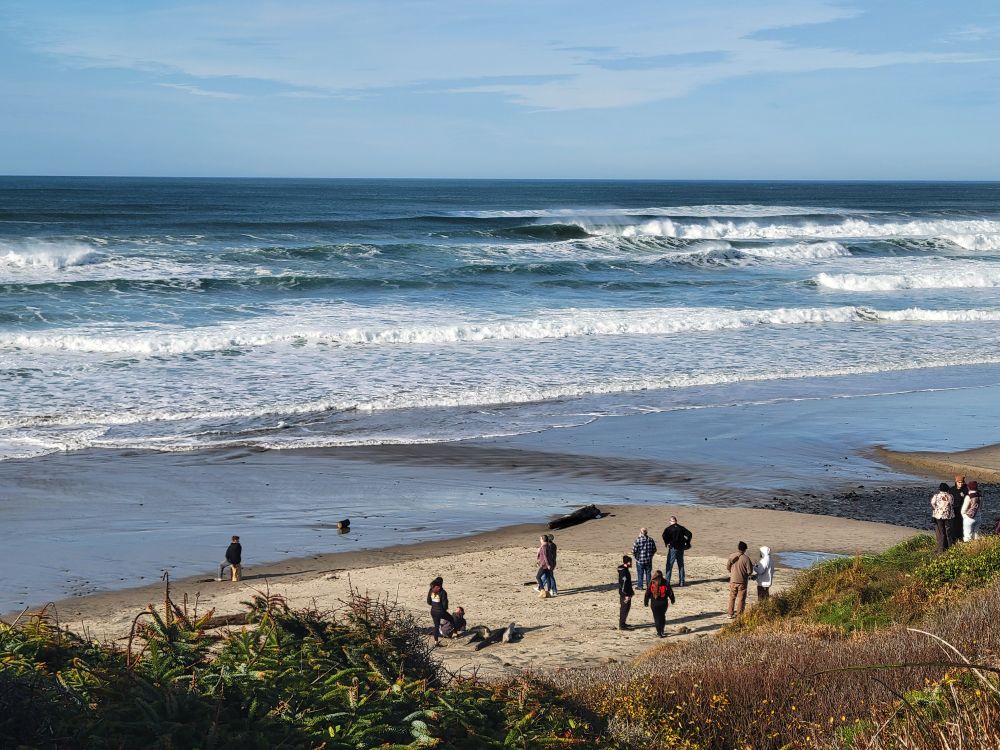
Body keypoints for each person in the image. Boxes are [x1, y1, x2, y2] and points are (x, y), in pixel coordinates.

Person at [661, 516, 693, 587]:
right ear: (676, 521)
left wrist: (667, 542)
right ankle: (682, 582)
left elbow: (664, 536)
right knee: (681, 565)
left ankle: (667, 582)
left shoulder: (669, 529)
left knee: (669, 565)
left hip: (673, 548)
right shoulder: (681, 528)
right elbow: (689, 534)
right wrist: (687, 542)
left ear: (671, 521)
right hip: (681, 548)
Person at [643, 570, 676, 637]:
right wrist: (672, 599)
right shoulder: (666, 582)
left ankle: (659, 632)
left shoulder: (652, 583)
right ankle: (662, 630)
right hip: (663, 603)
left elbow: (647, 593)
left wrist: (646, 602)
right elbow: (670, 592)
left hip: (654, 604)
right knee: (662, 617)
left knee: (657, 618)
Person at [726, 541, 754, 618]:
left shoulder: (732, 556)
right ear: (745, 549)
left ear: (738, 548)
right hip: (742, 582)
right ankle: (739, 615)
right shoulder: (746, 559)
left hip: (733, 580)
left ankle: (730, 613)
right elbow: (750, 571)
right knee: (741, 599)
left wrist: (732, 572)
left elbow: (728, 567)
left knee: (732, 597)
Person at [427, 576, 456, 644]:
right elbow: (445, 604)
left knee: (436, 626)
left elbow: (428, 601)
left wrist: (434, 605)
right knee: (451, 618)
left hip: (433, 611)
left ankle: (436, 641)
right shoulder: (443, 592)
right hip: (440, 611)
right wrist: (443, 610)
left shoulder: (431, 590)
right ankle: (455, 632)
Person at [931, 482, 956, 553]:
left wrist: (937, 509)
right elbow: (952, 504)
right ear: (947, 489)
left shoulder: (936, 496)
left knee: (941, 532)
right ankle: (950, 548)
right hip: (949, 516)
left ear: (940, 489)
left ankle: (941, 549)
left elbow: (933, 504)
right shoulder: (950, 496)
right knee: (948, 532)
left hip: (938, 516)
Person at [631, 527, 657, 592]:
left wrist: (636, 557)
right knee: (648, 574)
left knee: (640, 573)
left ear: (641, 533)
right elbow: (654, 549)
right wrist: (651, 556)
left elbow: (633, 550)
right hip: (648, 560)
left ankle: (640, 586)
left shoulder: (638, 540)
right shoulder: (650, 539)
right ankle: (649, 586)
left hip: (640, 560)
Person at [949, 476, 969, 544]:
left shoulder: (966, 490)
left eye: (962, 482)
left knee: (962, 527)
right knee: (953, 527)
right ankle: (953, 542)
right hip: (954, 511)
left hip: (963, 512)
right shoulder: (952, 490)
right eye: (959, 482)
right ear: (956, 482)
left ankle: (961, 541)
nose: (960, 484)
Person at [617, 555, 634, 630]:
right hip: (625, 594)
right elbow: (623, 584)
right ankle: (622, 625)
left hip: (627, 593)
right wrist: (626, 595)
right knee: (624, 609)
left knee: (626, 609)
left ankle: (623, 623)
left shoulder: (624, 569)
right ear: (628, 562)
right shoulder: (624, 572)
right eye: (630, 562)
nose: (631, 563)